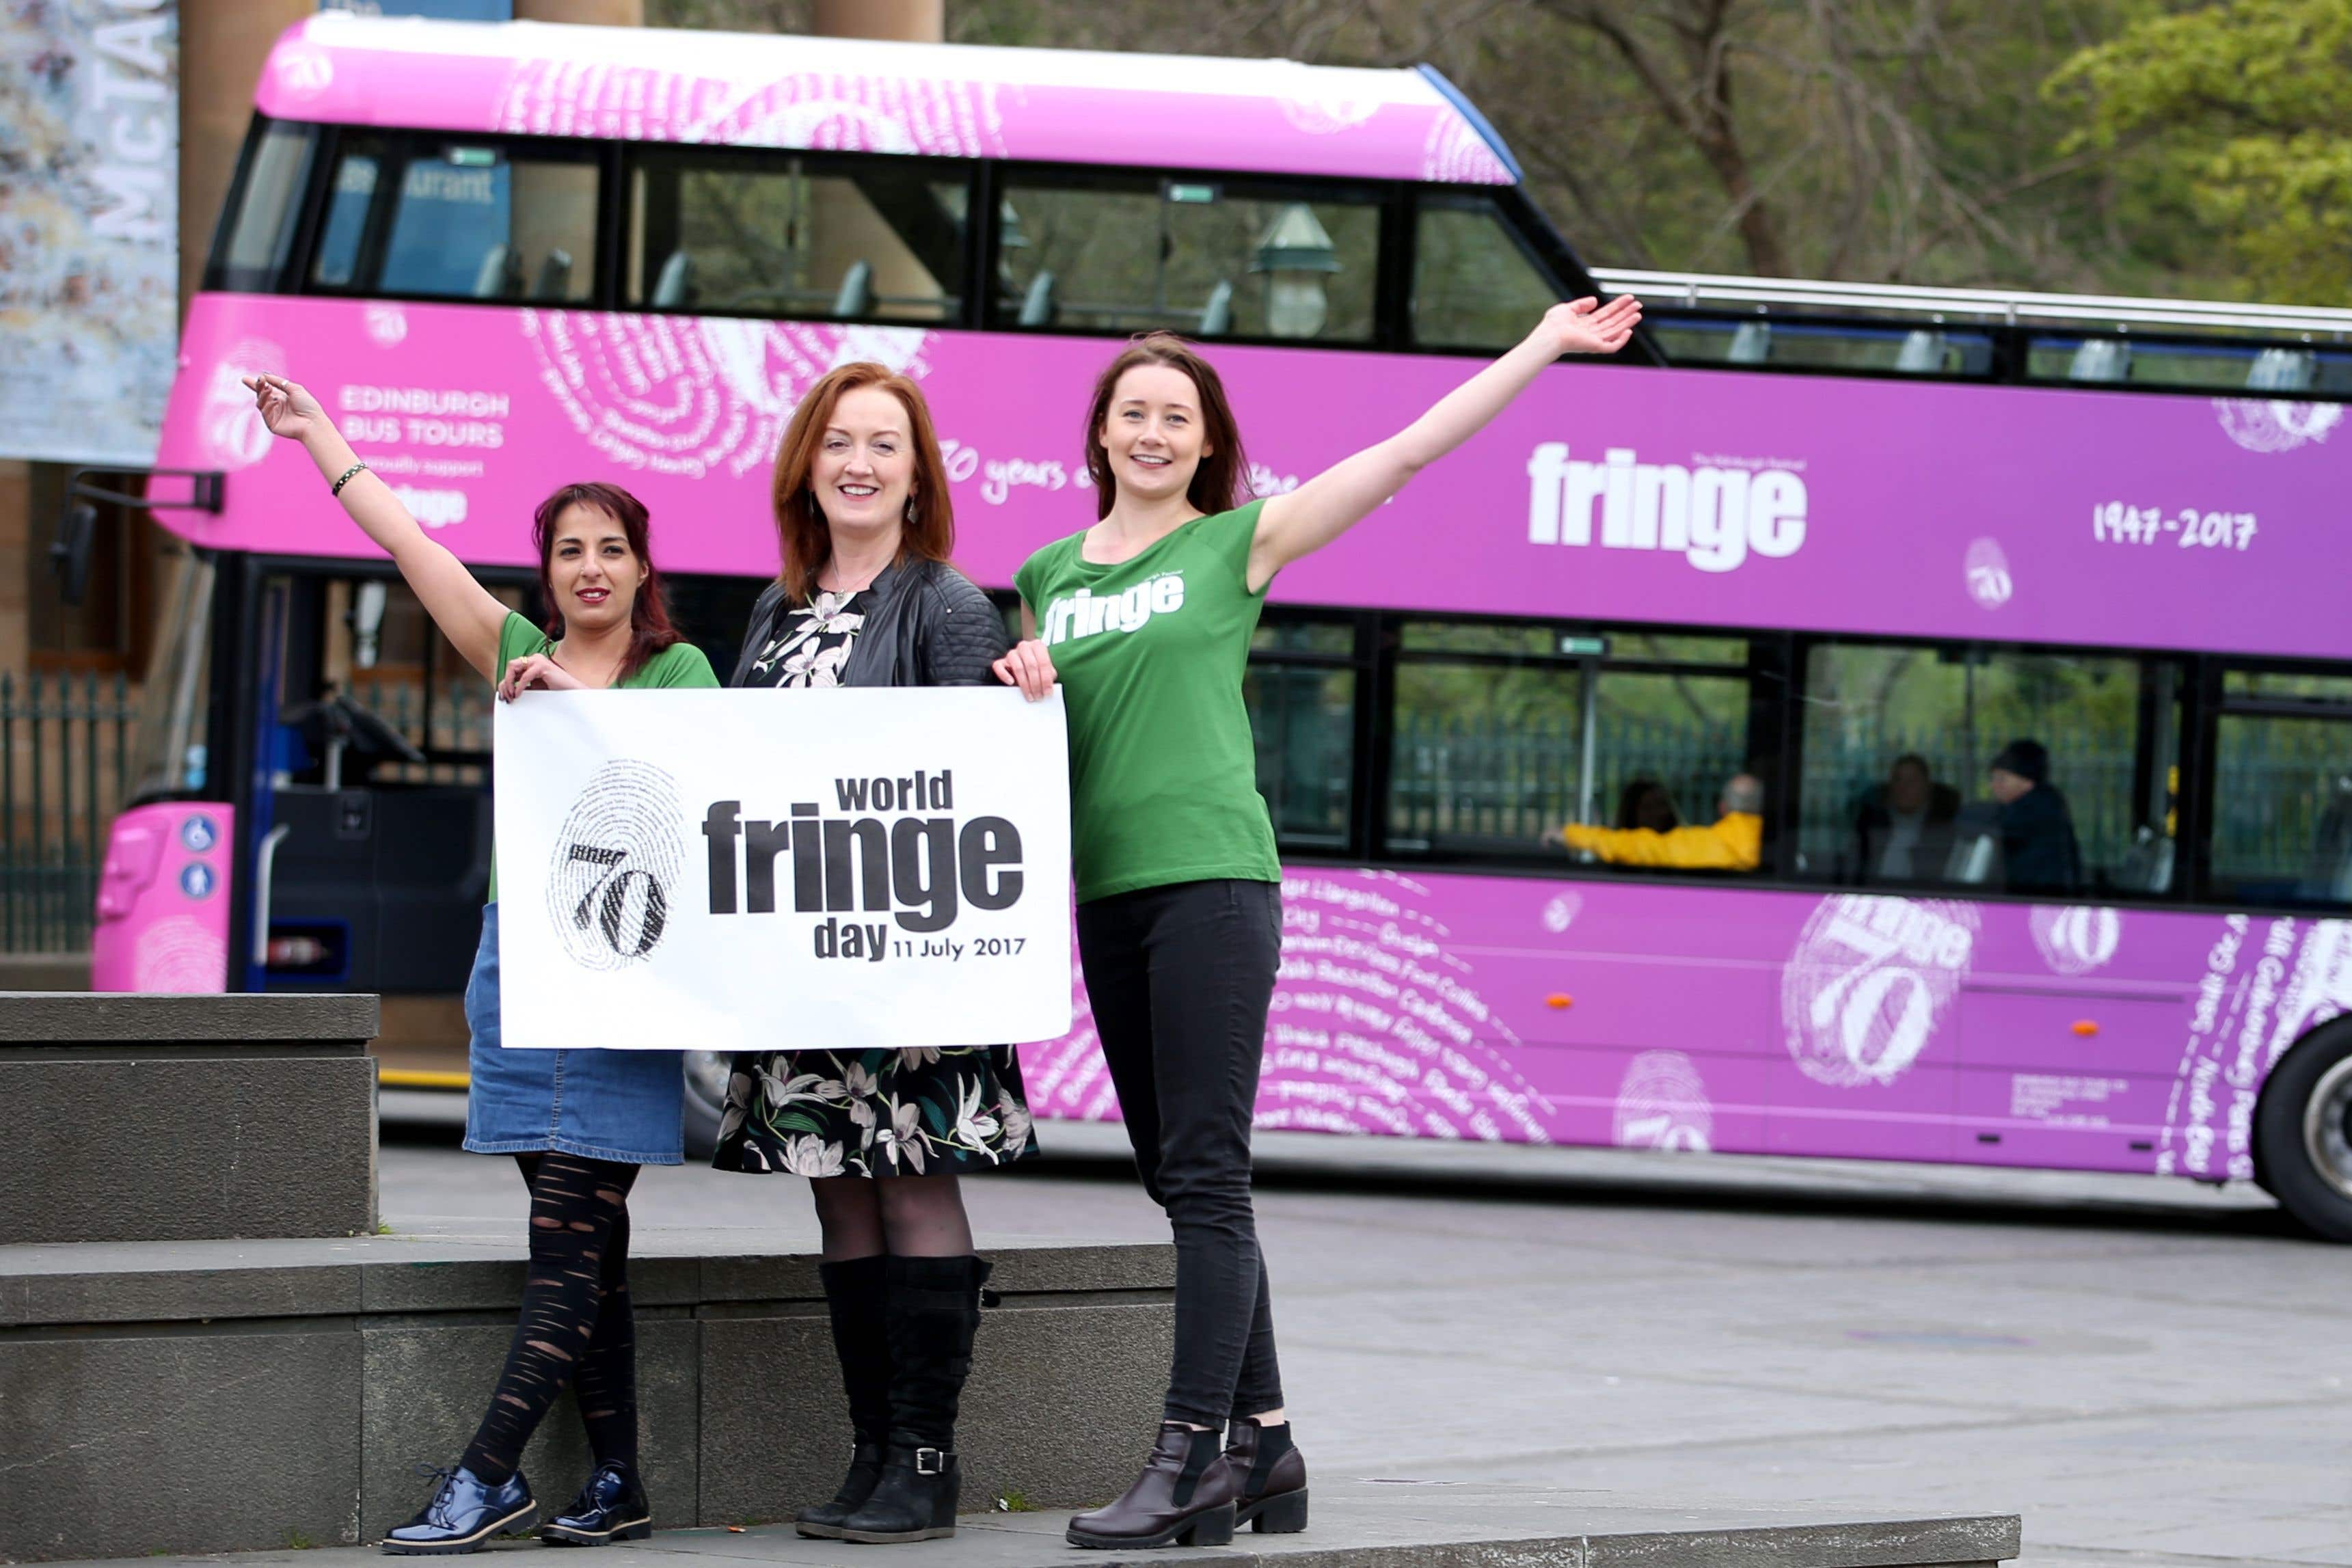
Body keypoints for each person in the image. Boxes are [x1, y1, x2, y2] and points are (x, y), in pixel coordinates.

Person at [991, 293, 1642, 1550]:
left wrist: (1539, 343)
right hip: (1107, 892)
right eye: (1134, 410)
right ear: (1100, 434)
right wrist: (1019, 671)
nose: (1153, 429)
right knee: (1178, 1176)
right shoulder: (1047, 578)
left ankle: (1187, 1457)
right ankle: (1272, 1449)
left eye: (1176, 414)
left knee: (1205, 1175)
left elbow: (1404, 451)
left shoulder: (1238, 541)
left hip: (1215, 885)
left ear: (1204, 440)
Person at [243, 375, 716, 1554]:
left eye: (613, 548)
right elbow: (410, 542)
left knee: (568, 1231)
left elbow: (696, 788)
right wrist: (322, 441)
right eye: (569, 550)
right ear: (547, 571)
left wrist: (577, 701)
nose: (592, 567)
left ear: (641, 566)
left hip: (619, 973)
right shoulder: (511, 649)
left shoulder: (680, 672)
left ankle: (485, 1471)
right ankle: (620, 1478)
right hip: (519, 965)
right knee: (587, 1247)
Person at [707, 362, 1041, 1547]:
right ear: (807, 462)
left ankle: (927, 1454)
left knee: (911, 1182)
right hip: (803, 967)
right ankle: (870, 1450)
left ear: (917, 473)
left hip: (908, 967)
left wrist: (1020, 684)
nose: (858, 461)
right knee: (840, 1197)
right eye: (838, 440)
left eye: (883, 444)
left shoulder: (947, 603)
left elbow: (970, 785)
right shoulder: (774, 608)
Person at [1557, 774, 1763, 870]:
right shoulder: (1766, 843)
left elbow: (1641, 848)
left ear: (1723, 807)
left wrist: (1571, 835)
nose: (1658, 812)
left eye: (1661, 804)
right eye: (1649, 806)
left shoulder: (1706, 845)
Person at [1988, 738, 2083, 893]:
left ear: (2027, 782)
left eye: (2002, 779)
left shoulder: (2032, 810)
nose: (1994, 786)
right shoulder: (2048, 803)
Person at [1854, 754, 1960, 882]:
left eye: (1912, 781)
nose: (1903, 788)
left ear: (1927, 786)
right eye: (1898, 780)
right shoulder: (1869, 827)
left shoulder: (1945, 832)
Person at [1614, 777, 1680, 834]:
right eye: (1648, 807)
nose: (1656, 812)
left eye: (1661, 805)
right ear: (1631, 812)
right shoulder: (1617, 845)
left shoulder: (1680, 842)